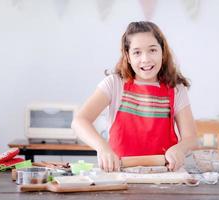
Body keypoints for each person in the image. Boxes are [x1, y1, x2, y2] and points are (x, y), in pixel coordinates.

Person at [72, 21, 197, 172]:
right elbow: (79, 121)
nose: (145, 59)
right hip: (120, 174)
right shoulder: (114, 84)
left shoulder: (176, 89)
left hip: (164, 173)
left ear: (162, 52)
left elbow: (191, 139)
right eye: (137, 52)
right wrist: (102, 148)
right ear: (128, 57)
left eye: (152, 50)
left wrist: (179, 149)